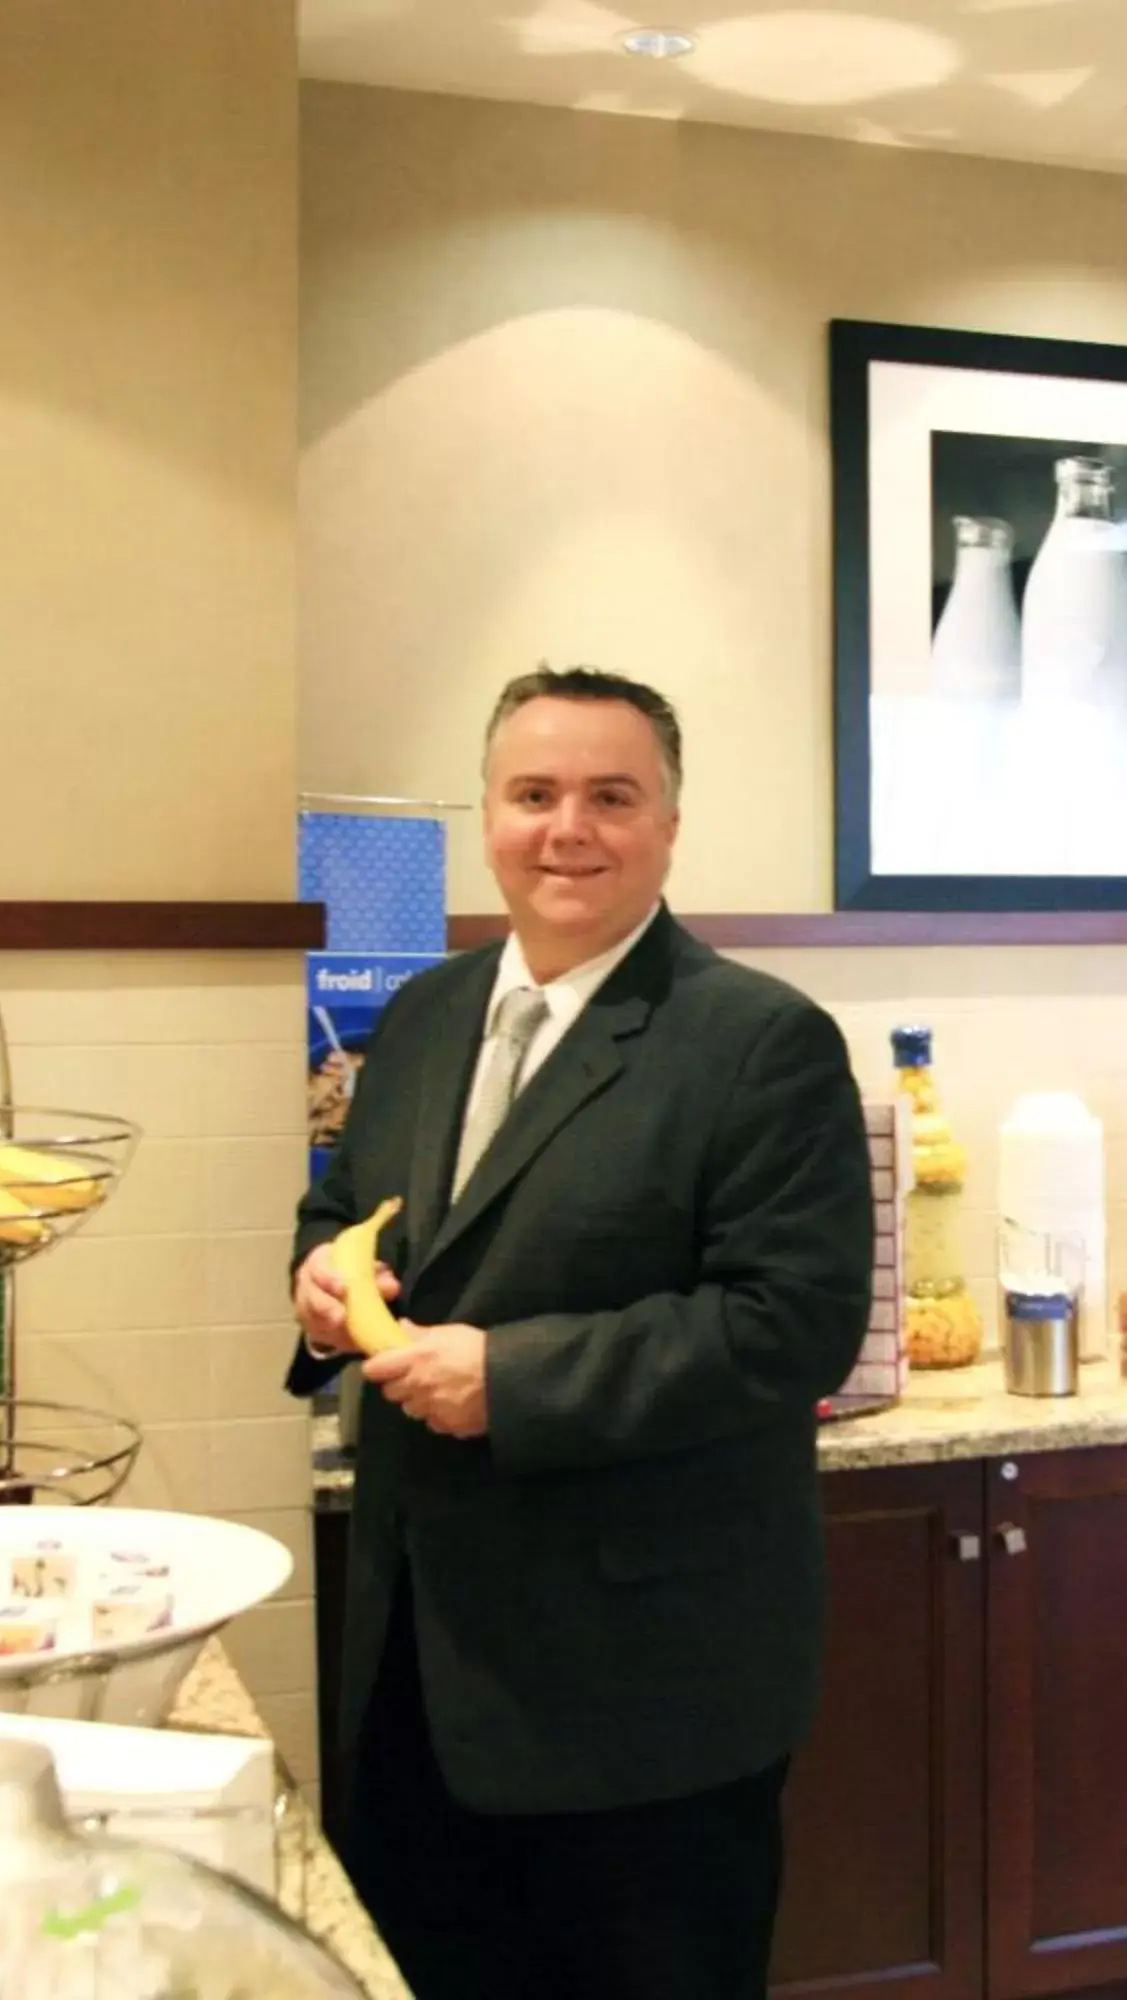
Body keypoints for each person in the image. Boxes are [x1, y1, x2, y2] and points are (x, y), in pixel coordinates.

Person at [289, 667, 874, 2000]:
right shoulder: (429, 1016)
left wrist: (516, 1380)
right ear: (487, 815)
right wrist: (318, 1280)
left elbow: (793, 1325)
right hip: (415, 1666)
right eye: (534, 794)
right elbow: (348, 1206)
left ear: (669, 825)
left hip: (641, 1693)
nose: (569, 829)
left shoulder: (757, 1040)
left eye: (612, 797)